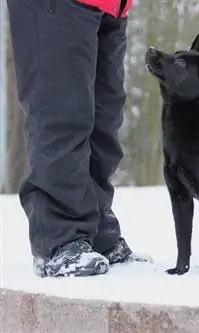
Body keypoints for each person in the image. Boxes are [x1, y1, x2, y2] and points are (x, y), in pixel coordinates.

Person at [7, 0, 148, 277]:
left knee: (104, 118)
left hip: (111, 7)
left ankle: (93, 228)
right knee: (61, 111)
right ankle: (59, 237)